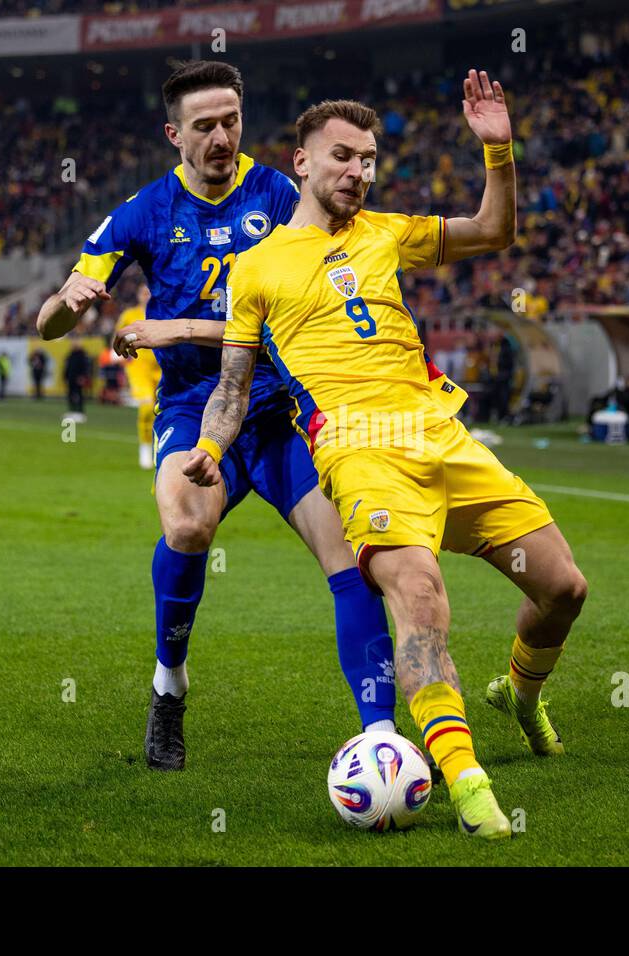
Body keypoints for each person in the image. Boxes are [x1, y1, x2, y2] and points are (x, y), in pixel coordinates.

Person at [184, 73, 588, 840]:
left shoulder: (388, 231)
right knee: (419, 592)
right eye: (343, 156)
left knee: (564, 588)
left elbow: (493, 231)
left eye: (368, 159)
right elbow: (234, 388)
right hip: (359, 452)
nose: (359, 172)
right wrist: (209, 447)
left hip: (441, 435)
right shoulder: (257, 268)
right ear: (300, 162)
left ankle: (521, 694)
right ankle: (468, 785)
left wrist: (498, 149)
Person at [36, 60, 398, 773]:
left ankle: (381, 738)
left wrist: (169, 329)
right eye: (204, 125)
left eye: (231, 120)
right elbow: (54, 322)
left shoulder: (281, 195)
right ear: (175, 134)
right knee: (187, 523)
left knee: (352, 555)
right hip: (194, 407)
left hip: (280, 408)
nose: (222, 136)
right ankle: (168, 683)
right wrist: (66, 304)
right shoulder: (143, 212)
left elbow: (285, 315)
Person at [118, 285, 161, 470]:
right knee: (145, 407)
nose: (146, 295)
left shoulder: (161, 311)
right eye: (143, 292)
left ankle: (160, 447)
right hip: (139, 368)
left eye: (149, 291)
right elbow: (118, 335)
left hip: (162, 367)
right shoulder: (130, 314)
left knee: (162, 409)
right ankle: (145, 445)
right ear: (138, 295)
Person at [63, 341, 90, 423]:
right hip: (71, 378)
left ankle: (80, 412)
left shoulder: (82, 355)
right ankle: (72, 410)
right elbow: (67, 367)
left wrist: (83, 377)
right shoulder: (70, 355)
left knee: (79, 395)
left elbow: (85, 368)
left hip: (78, 378)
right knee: (70, 395)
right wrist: (65, 376)